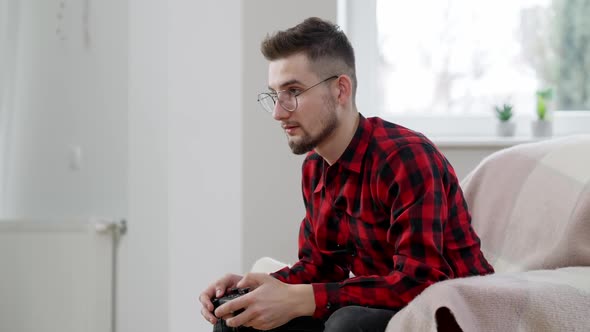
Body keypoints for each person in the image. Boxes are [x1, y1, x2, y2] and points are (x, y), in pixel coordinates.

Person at [199, 17, 494, 332]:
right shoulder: (315, 168)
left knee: (348, 324)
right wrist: (257, 288)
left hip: (452, 313)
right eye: (274, 94)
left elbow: (420, 281)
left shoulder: (405, 158)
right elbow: (320, 267)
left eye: (293, 91)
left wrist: (304, 298)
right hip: (385, 308)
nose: (278, 112)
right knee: (239, 318)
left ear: (341, 90)